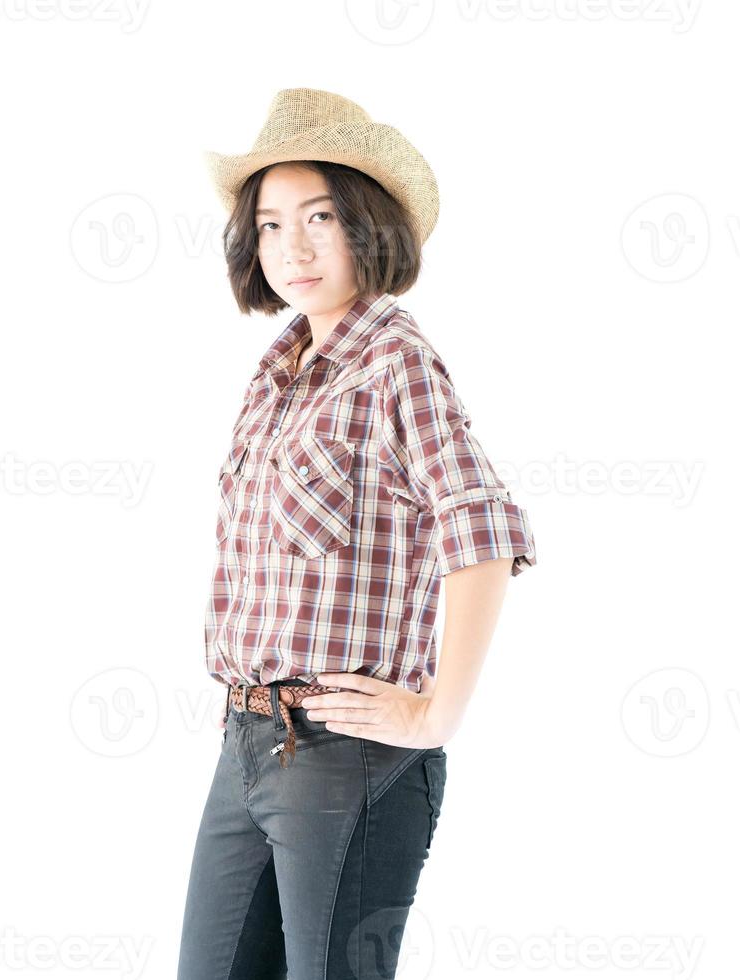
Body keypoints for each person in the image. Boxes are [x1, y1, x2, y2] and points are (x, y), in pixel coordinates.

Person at [177, 88, 537, 980]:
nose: (291, 247)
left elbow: (480, 528)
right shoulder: (277, 375)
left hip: (348, 757)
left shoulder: (394, 362)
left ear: (368, 224)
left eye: (320, 216)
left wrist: (435, 712)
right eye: (268, 224)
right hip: (246, 741)